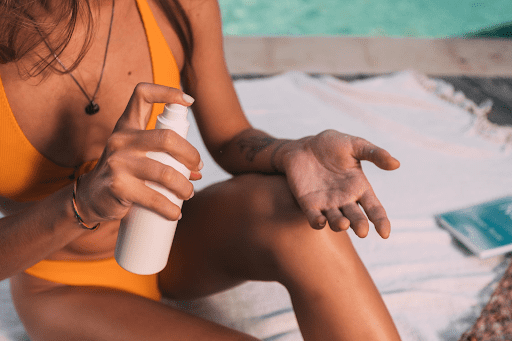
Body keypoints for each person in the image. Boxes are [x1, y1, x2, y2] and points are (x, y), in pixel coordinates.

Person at [0, 0, 402, 339]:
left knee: (298, 215)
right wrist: (83, 204)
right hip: (62, 281)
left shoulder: (175, 7)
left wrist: (289, 152)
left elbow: (230, 134)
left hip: (168, 237)